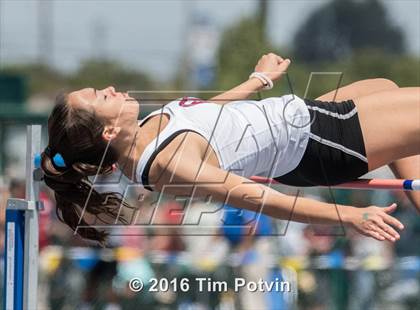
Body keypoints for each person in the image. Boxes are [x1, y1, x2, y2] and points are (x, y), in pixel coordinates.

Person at [40, 53, 419, 244]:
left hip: (307, 121)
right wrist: (348, 218)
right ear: (108, 132)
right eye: (101, 96)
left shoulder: (139, 137)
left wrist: (256, 81)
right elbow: (259, 199)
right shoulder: (168, 162)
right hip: (321, 141)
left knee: (385, 86)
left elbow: (206, 117)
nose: (109, 88)